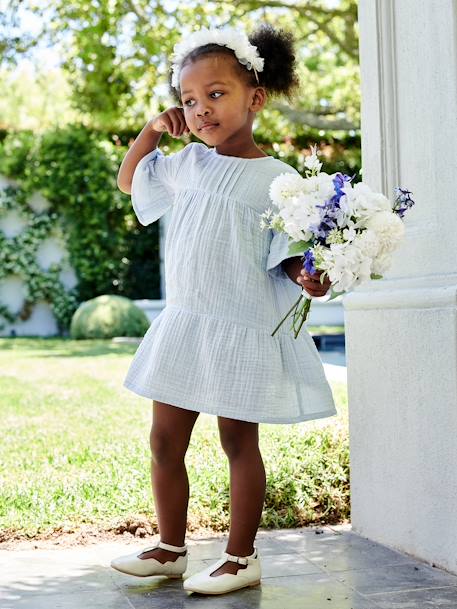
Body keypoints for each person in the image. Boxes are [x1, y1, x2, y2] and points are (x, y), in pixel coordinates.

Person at [111, 23, 337, 595]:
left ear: (254, 98)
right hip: (187, 322)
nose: (201, 109)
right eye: (188, 99)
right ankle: (169, 548)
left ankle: (241, 557)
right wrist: (151, 131)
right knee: (165, 440)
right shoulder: (185, 163)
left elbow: (286, 255)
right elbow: (129, 181)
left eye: (216, 94)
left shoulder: (277, 180)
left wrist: (309, 275)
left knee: (238, 441)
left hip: (240, 327)